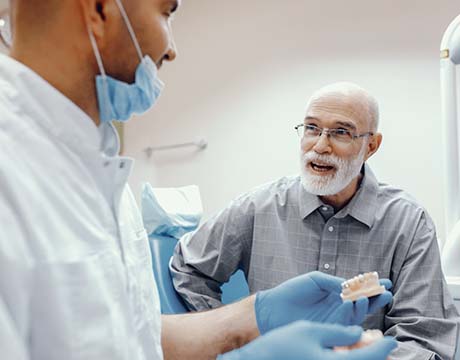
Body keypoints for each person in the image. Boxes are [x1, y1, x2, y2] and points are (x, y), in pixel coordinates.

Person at [0, 0, 398, 359]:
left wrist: (249, 319)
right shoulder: (13, 174)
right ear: (100, 8)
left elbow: (129, 340)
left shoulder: (96, 164)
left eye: (341, 132)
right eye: (166, 12)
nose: (171, 48)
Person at [171, 82, 460, 359]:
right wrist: (232, 343)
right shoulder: (258, 207)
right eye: (311, 128)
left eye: (340, 132)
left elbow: (423, 337)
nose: (320, 146)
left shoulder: (409, 223)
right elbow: (188, 268)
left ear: (371, 145)